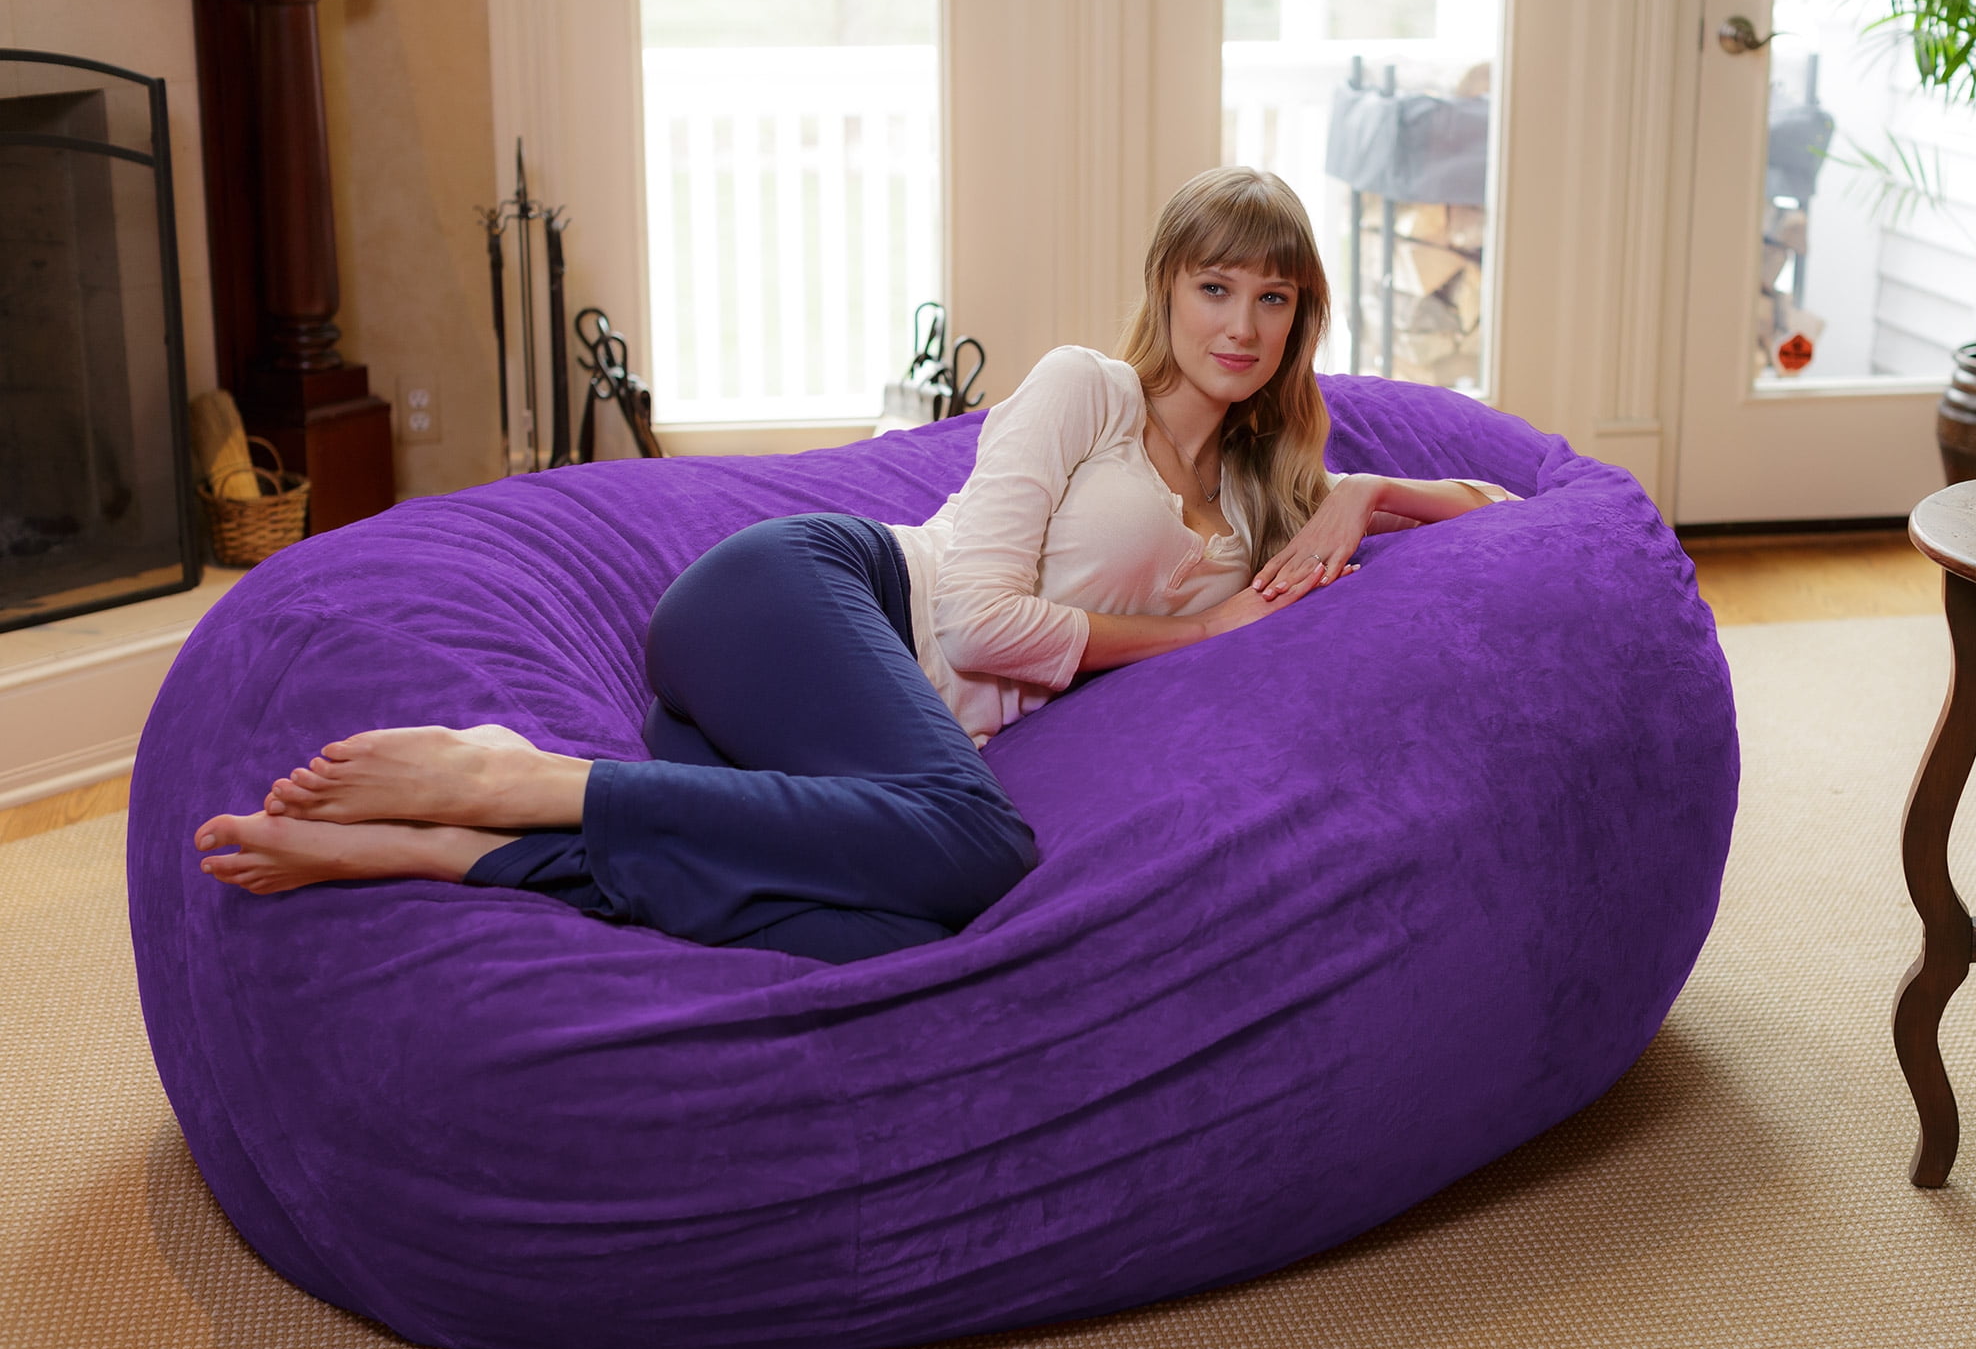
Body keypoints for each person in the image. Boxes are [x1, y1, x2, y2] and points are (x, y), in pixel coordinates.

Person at [192, 166, 1515, 962]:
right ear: (1166, 290)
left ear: (1301, 321)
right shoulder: (1084, 391)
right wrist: (1207, 637)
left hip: (850, 750)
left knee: (885, 933)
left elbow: (1515, 510)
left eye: (1274, 299)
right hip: (808, 602)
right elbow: (989, 627)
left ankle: (431, 850)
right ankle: (515, 776)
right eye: (1217, 287)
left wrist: (1364, 488)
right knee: (980, 856)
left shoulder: (1255, 504)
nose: (1243, 322)